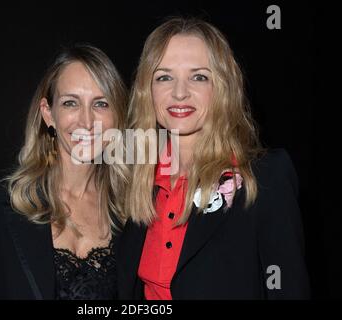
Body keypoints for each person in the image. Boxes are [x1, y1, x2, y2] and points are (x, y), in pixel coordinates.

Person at [117, 17, 310, 299]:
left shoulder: (266, 177)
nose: (179, 93)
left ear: (222, 88)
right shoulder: (137, 179)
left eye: (199, 77)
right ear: (148, 90)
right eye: (164, 77)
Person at [0, 44, 129, 299]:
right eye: (71, 103)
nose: (86, 120)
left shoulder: (132, 208)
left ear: (117, 116)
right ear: (48, 114)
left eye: (101, 103)